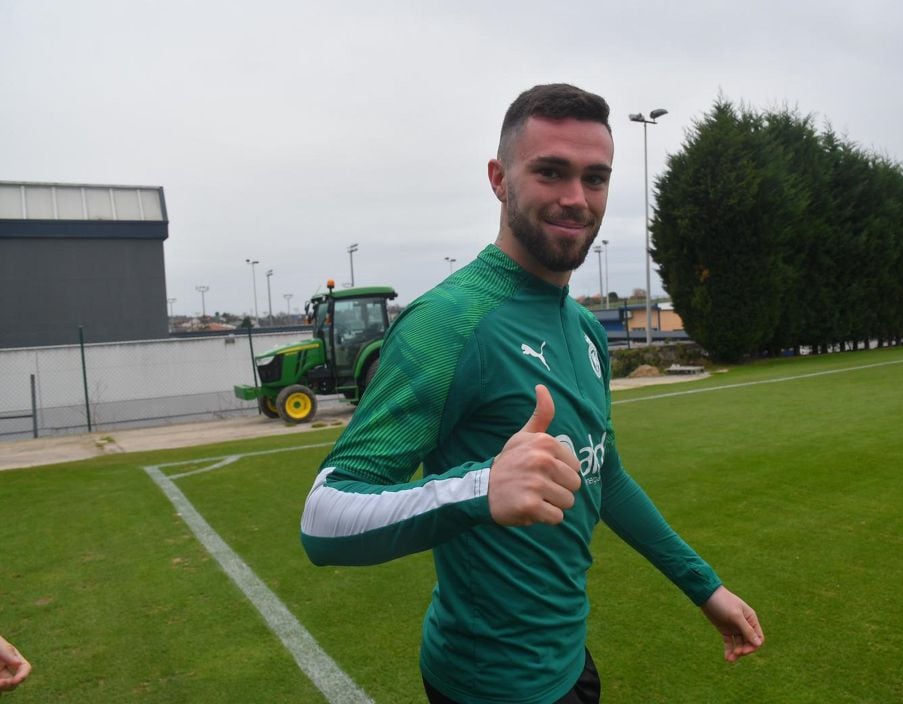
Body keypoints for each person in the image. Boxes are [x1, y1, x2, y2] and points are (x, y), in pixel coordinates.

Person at [301, 83, 764, 704]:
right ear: (499, 179)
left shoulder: (581, 328)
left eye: (595, 178)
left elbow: (607, 476)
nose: (576, 199)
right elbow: (323, 518)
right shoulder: (448, 323)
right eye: (550, 172)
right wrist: (481, 488)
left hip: (569, 664)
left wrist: (704, 587)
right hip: (486, 687)